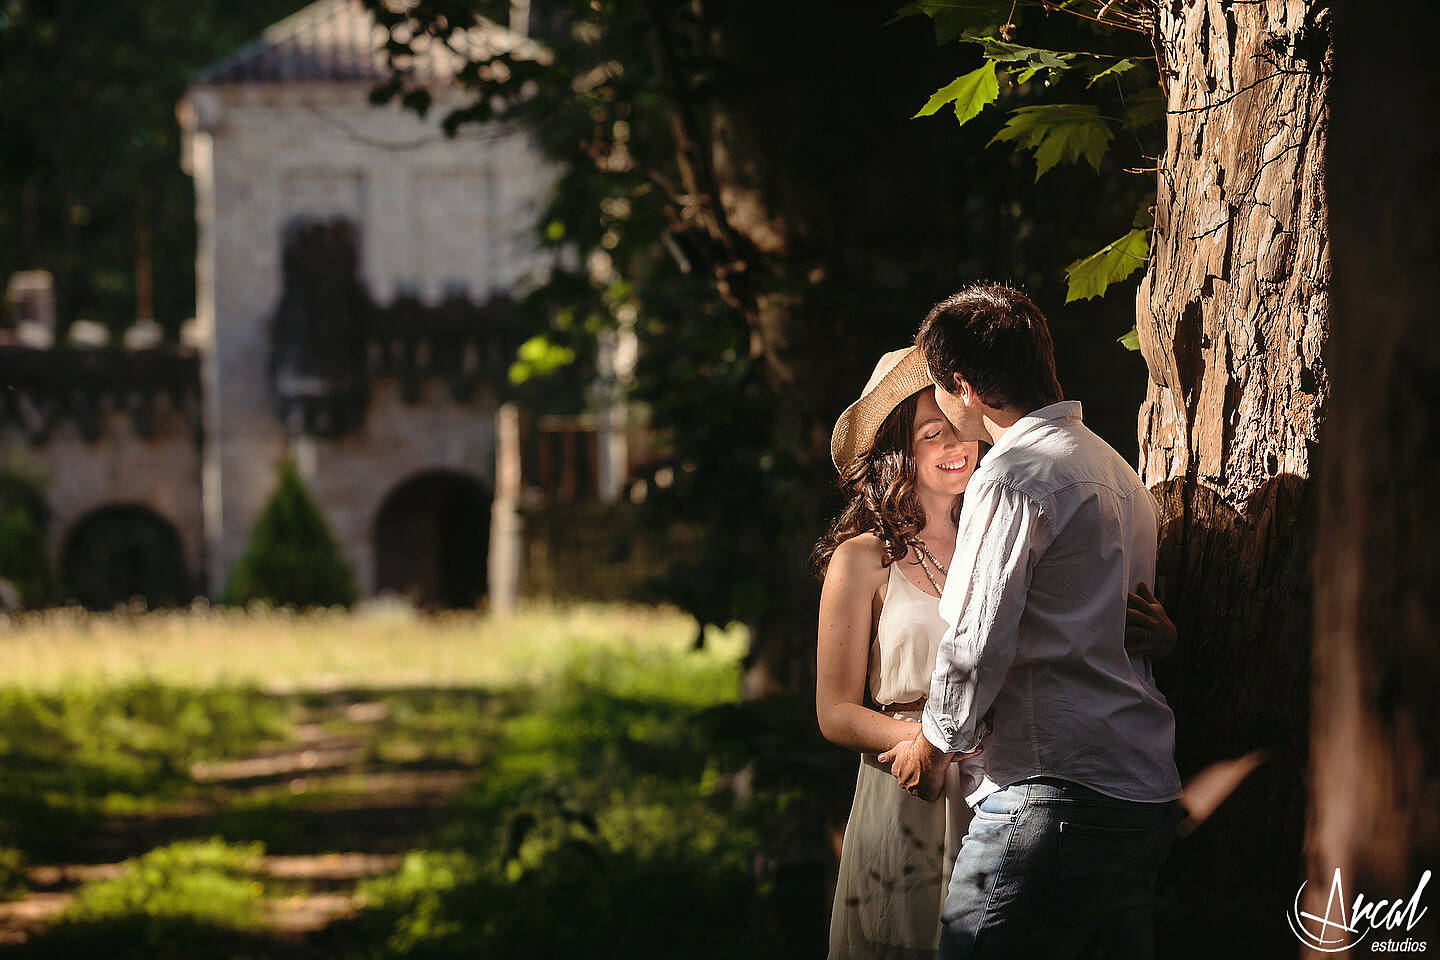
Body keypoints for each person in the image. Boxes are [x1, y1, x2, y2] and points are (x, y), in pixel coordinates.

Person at [817, 345, 1177, 960]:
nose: (956, 445)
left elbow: (1073, 631)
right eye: (933, 434)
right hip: (909, 789)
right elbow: (834, 710)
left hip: (1004, 782)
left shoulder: (1009, 523)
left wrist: (1163, 640)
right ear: (898, 452)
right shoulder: (861, 559)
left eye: (957, 428)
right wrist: (926, 744)